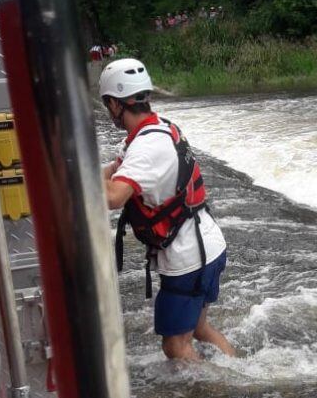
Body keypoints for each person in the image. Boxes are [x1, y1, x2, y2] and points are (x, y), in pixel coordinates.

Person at [100, 58, 235, 362]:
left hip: (189, 258)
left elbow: (113, 197)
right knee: (199, 328)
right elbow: (111, 171)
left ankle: (218, 396)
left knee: (175, 347)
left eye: (107, 104)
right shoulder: (157, 130)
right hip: (207, 245)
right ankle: (239, 371)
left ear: (115, 104)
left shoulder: (147, 148)